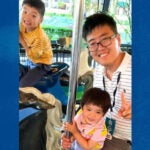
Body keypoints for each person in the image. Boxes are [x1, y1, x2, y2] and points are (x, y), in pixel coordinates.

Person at [61, 12, 131, 150]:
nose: (100, 47)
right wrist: (74, 134)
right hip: (97, 131)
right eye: (93, 44)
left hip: (122, 139)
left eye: (105, 40)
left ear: (118, 39)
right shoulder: (98, 71)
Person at [19, 0, 53, 87]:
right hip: (31, 61)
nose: (27, 17)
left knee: (23, 84)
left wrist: (22, 41)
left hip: (42, 64)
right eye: (25, 11)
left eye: (33, 15)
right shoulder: (22, 25)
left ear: (40, 20)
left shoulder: (39, 37)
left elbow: (35, 56)